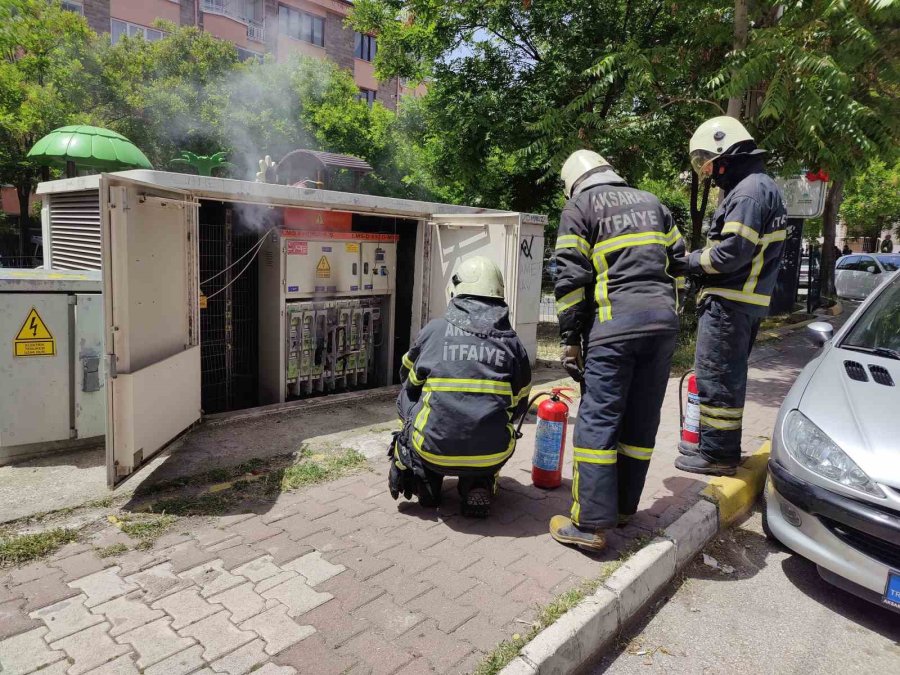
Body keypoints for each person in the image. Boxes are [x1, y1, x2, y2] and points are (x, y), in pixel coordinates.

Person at [549, 150, 686, 552]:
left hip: (615, 327)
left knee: (597, 421)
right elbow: (678, 263)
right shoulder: (654, 203)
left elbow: (571, 278)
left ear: (575, 181)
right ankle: (624, 507)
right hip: (662, 327)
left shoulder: (580, 206)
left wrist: (571, 339)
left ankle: (590, 523)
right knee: (640, 420)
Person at [675, 116, 786, 476]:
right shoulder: (758, 186)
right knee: (727, 377)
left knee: (716, 378)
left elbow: (731, 253)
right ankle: (716, 446)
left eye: (709, 160)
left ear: (727, 151)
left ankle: (718, 456)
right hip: (743, 302)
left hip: (730, 302)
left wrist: (688, 262)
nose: (709, 171)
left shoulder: (749, 192)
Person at [388, 256, 531, 517]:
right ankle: (479, 482)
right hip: (492, 452)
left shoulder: (435, 330)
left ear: (458, 291)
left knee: (407, 396)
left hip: (434, 449)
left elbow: (407, 376)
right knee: (496, 426)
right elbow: (521, 403)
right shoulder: (513, 343)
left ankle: (426, 477)